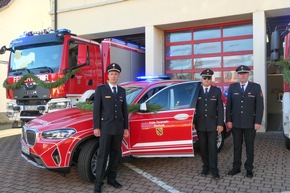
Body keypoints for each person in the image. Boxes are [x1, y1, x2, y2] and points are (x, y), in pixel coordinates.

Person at [93, 63, 129, 193]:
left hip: (118, 128)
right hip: (106, 128)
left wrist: (126, 128)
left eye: (116, 74)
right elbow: (96, 110)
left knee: (115, 155)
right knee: (102, 155)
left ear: (118, 76)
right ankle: (98, 183)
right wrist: (96, 127)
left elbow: (124, 110)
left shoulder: (122, 91)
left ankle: (111, 179)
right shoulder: (101, 89)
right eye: (111, 74)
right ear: (108, 75)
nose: (114, 76)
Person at [226, 65, 264, 178]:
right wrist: (228, 120)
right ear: (237, 75)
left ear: (248, 74)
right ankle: (236, 167)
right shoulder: (232, 87)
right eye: (240, 74)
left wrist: (258, 122)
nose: (242, 75)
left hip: (250, 124)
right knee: (237, 146)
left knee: (249, 146)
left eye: (245, 73)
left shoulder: (256, 87)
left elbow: (260, 106)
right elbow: (229, 106)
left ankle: (249, 169)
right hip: (236, 123)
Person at [192, 69, 224, 180]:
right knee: (203, 148)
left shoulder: (216, 91)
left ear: (211, 79)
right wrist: (192, 122)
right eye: (204, 78)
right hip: (200, 125)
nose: (207, 80)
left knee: (212, 148)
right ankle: (205, 167)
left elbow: (220, 108)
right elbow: (193, 108)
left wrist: (220, 123)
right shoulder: (196, 91)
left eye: (209, 78)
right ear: (201, 79)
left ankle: (214, 169)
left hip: (212, 125)